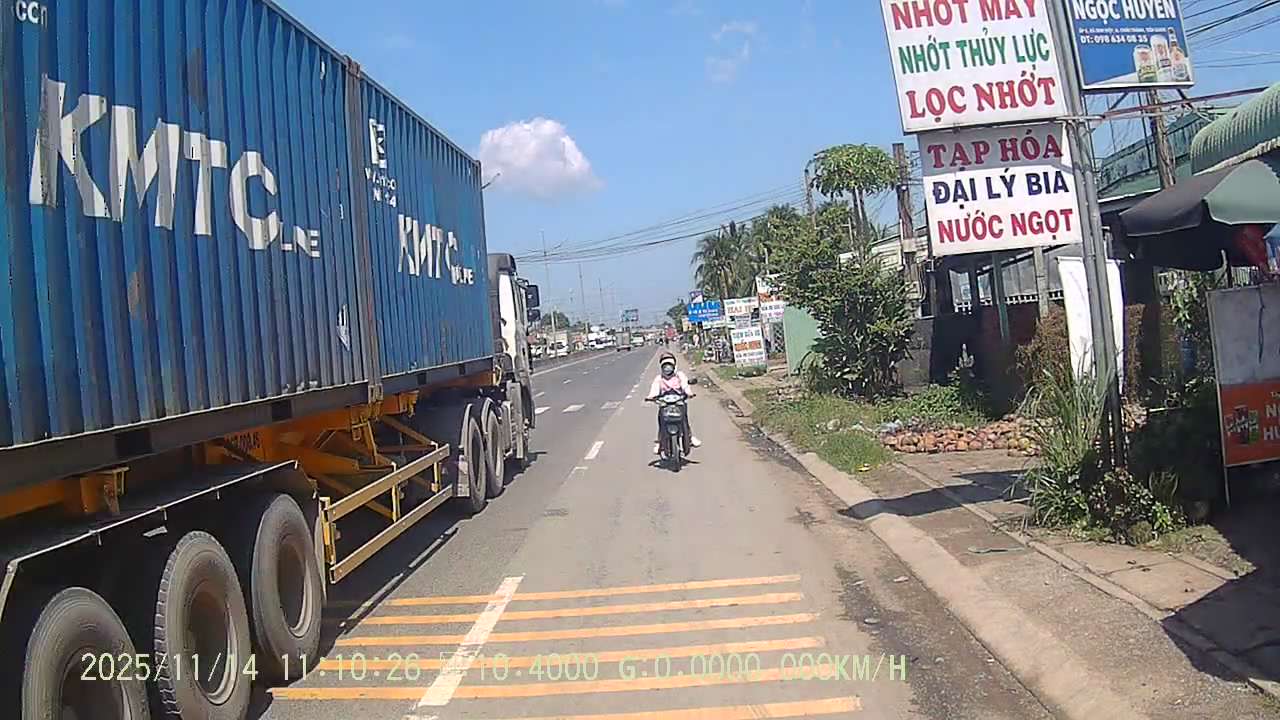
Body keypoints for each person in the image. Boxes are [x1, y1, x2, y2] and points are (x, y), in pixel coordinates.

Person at [647, 352, 701, 455]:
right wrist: (651, 396)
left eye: (669, 366)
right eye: (665, 366)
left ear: (674, 366)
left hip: (679, 401)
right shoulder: (659, 378)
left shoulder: (680, 375)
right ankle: (660, 442)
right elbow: (654, 389)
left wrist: (689, 393)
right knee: (661, 421)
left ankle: (689, 437)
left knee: (684, 419)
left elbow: (685, 385)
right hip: (664, 403)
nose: (667, 369)